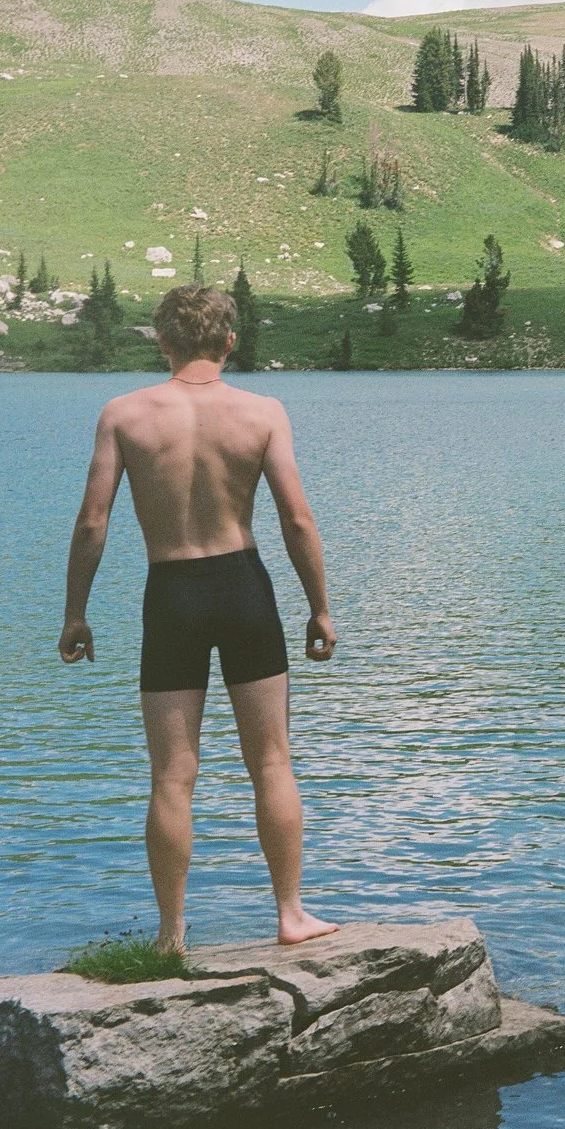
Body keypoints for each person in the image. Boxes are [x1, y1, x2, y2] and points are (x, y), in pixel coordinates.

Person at [58, 283, 339, 950]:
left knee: (171, 774)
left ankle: (170, 933)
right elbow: (297, 519)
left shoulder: (124, 413)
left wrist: (76, 612)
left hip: (172, 592)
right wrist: (320, 606)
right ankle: (291, 914)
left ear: (163, 341)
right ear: (229, 342)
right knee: (272, 762)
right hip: (243, 586)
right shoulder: (262, 411)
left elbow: (93, 520)